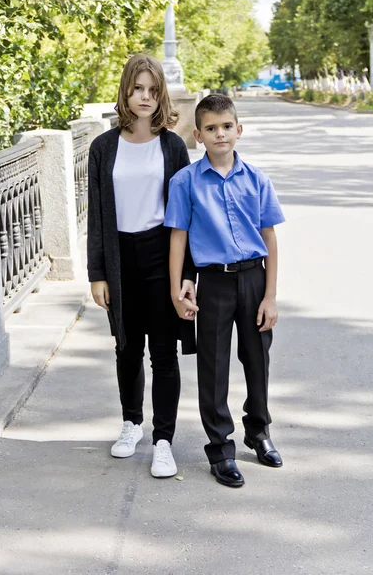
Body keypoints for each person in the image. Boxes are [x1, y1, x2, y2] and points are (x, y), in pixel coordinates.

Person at [164, 94, 285, 488]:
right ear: (198, 136)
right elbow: (178, 237)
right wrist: (176, 289)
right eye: (211, 129)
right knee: (213, 367)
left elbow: (269, 238)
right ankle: (220, 448)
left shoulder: (257, 179)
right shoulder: (185, 182)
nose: (220, 134)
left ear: (239, 130)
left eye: (226, 127)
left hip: (253, 279)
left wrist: (269, 295)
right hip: (213, 282)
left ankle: (259, 431)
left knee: (257, 361)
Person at [87, 54, 196, 479]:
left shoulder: (171, 146)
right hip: (119, 258)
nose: (145, 97)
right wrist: (97, 273)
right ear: (126, 92)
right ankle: (131, 423)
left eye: (152, 90)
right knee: (127, 348)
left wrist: (188, 275)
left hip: (161, 256)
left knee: (164, 354)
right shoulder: (102, 147)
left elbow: (185, 218)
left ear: (161, 93)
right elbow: (96, 214)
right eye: (138, 89)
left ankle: (164, 440)